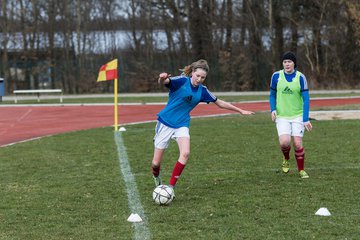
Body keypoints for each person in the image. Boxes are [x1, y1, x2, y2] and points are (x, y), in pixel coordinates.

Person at [151, 59, 255, 193]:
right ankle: (156, 176)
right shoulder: (182, 81)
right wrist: (162, 78)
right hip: (165, 122)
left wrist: (241, 111)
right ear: (192, 73)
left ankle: (170, 187)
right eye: (198, 76)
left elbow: (219, 102)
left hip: (182, 124)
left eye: (203, 77)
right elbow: (166, 82)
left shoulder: (202, 91)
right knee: (155, 163)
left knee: (186, 153)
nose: (199, 79)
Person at [269, 51, 312, 179]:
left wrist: (305, 119)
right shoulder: (276, 76)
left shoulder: (300, 77)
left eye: (289, 62)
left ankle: (301, 170)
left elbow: (306, 99)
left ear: (294, 63)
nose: (287, 64)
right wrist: (273, 109)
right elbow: (272, 95)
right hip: (282, 115)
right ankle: (286, 158)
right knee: (284, 143)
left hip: (297, 115)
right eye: (285, 62)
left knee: (298, 144)